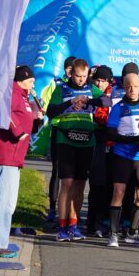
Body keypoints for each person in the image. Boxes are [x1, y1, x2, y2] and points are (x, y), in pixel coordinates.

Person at [0, 66, 44, 258]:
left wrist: (37, 122)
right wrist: (18, 132)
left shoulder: (24, 97)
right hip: (5, 154)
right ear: (21, 79)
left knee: (8, 203)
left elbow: (26, 121)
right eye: (31, 80)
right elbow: (4, 113)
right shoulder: (11, 93)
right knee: (1, 200)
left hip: (15, 156)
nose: (34, 84)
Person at [47, 58, 107, 241]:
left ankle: (73, 224)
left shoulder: (90, 88)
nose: (80, 80)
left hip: (86, 141)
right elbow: (51, 111)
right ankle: (62, 226)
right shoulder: (62, 89)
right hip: (66, 140)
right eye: (77, 76)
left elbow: (106, 101)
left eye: (83, 76)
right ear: (71, 74)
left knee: (80, 184)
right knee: (67, 184)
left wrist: (88, 100)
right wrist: (70, 102)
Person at [106, 73, 139, 247]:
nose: (132, 89)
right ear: (124, 87)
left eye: (135, 86)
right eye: (128, 86)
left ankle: (132, 233)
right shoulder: (118, 108)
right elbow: (111, 133)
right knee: (118, 193)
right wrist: (134, 140)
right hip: (121, 155)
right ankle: (113, 234)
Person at [44, 55, 76, 223]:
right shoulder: (56, 84)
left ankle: (70, 211)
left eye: (74, 69)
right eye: (69, 69)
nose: (71, 72)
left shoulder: (82, 85)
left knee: (73, 173)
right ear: (66, 69)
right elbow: (47, 107)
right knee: (57, 171)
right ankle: (52, 208)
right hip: (58, 130)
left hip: (76, 130)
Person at [87, 65, 114, 237]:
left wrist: (102, 119)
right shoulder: (90, 92)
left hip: (108, 141)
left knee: (106, 184)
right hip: (94, 139)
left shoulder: (112, 93)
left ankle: (103, 221)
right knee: (95, 184)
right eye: (97, 80)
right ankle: (91, 222)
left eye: (103, 81)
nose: (99, 84)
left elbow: (106, 114)